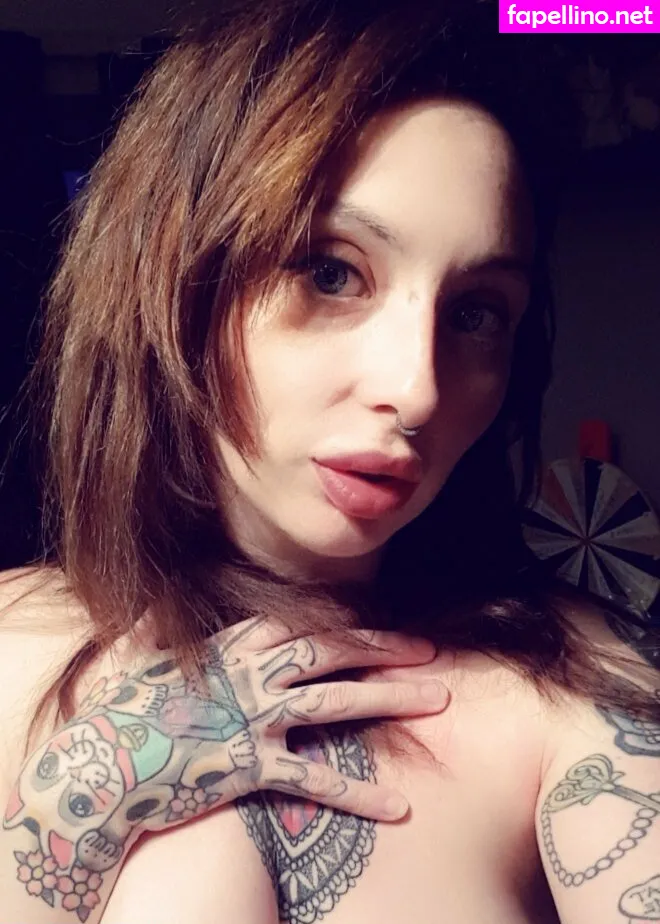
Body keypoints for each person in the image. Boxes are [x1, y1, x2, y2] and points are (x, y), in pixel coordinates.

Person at [1, 0, 659, 922]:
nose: (418, 390)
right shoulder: (13, 650)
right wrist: (65, 823)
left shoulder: (560, 687)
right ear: (173, 283)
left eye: (476, 313)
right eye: (331, 271)